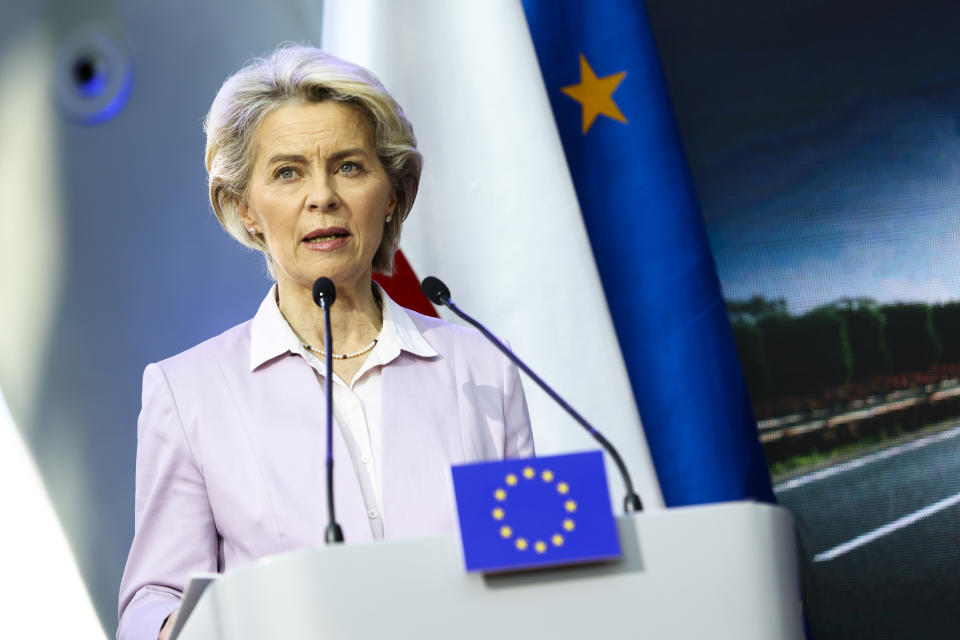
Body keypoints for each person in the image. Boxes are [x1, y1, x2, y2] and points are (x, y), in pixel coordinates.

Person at [116, 45, 534, 640]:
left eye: (349, 166)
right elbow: (153, 597)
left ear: (390, 195)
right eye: (287, 172)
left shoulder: (480, 366)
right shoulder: (188, 393)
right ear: (244, 207)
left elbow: (534, 564)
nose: (323, 197)